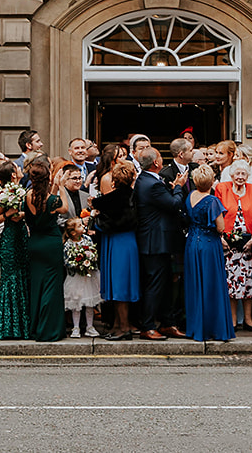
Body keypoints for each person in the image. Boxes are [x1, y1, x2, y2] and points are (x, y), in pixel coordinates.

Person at [134, 146, 186, 340]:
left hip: (158, 240)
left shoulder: (148, 180)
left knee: (164, 284)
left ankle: (167, 323)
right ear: (156, 163)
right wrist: (179, 186)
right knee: (155, 284)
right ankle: (147, 326)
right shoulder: (151, 184)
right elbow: (173, 204)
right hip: (154, 242)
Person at [181, 165, 233, 342]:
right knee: (211, 285)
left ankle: (196, 328)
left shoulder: (190, 197)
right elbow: (221, 227)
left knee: (195, 285)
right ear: (212, 181)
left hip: (191, 244)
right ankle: (214, 329)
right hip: (209, 244)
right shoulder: (212, 201)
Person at [93, 149, 139, 340]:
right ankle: (120, 325)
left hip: (119, 241)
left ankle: (123, 328)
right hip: (124, 241)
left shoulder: (117, 198)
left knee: (120, 286)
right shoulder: (129, 195)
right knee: (119, 285)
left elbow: (113, 222)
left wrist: (97, 221)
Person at [23, 155, 69, 342]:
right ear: (48, 178)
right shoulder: (52, 200)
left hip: (34, 243)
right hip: (51, 244)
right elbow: (64, 208)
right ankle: (49, 329)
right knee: (52, 287)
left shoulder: (27, 196)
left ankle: (35, 327)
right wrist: (62, 187)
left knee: (37, 286)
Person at [214, 159, 252, 331]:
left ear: (248, 175)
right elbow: (217, 214)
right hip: (227, 244)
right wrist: (220, 238)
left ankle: (249, 320)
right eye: (238, 173)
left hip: (248, 243)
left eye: (244, 173)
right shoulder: (222, 188)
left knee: (249, 281)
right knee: (231, 282)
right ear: (231, 175)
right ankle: (233, 320)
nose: (240, 177)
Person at [0, 161, 30, 339]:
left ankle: (23, 326)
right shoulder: (5, 194)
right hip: (9, 238)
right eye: (17, 168)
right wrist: (12, 213)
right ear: (13, 174)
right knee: (10, 279)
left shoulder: (22, 190)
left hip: (22, 236)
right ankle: (9, 326)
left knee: (22, 277)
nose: (21, 169)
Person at [62, 217, 101, 337]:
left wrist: (89, 259)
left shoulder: (87, 240)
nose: (83, 226)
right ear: (73, 232)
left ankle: (90, 326)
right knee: (76, 304)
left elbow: (93, 253)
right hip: (75, 278)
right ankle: (76, 327)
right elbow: (66, 261)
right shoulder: (68, 244)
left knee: (89, 302)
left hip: (88, 277)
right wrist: (76, 264)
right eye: (79, 226)